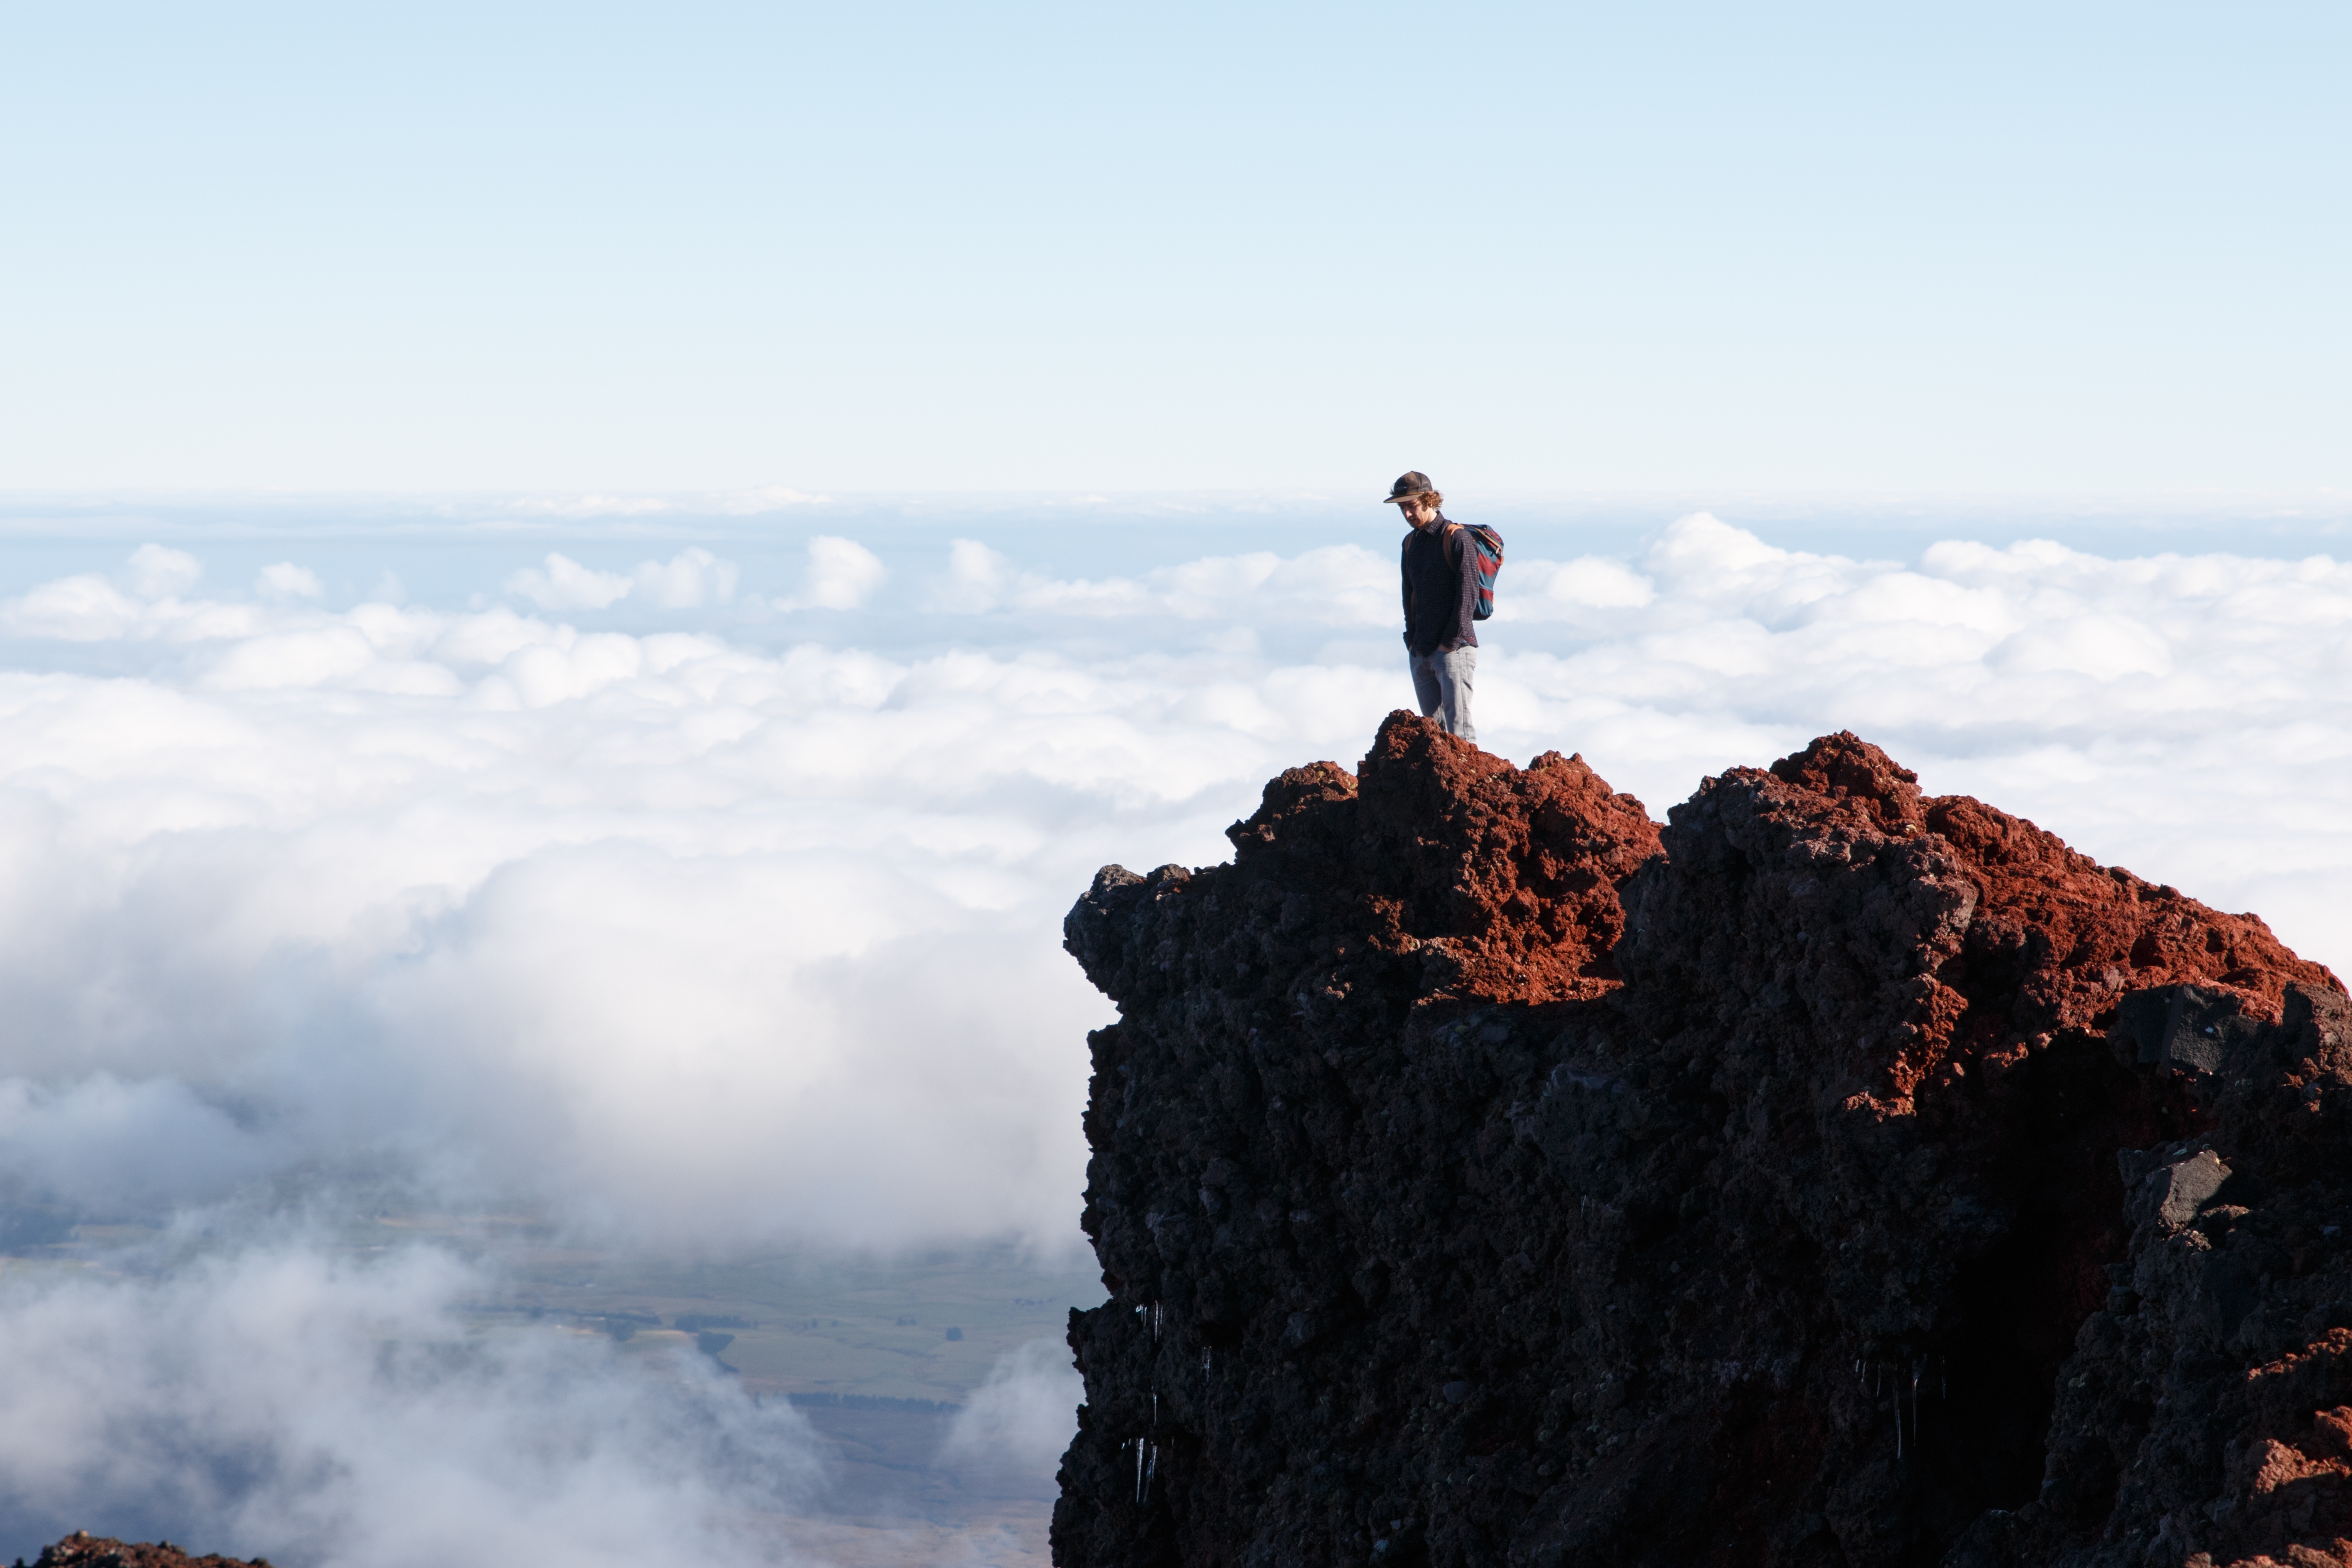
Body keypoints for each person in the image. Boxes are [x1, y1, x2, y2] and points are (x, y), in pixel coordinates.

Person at [1385, 470, 1478, 742]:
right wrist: (1412, 641)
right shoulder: (1410, 543)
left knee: (1460, 735)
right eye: (1402, 508)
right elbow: (1408, 595)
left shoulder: (1456, 538)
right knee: (1433, 738)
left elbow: (1468, 595)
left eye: (1411, 506)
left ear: (1429, 500)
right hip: (1422, 650)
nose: (1407, 514)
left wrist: (1449, 643)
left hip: (1453, 650)